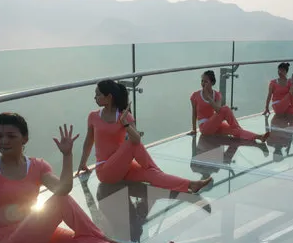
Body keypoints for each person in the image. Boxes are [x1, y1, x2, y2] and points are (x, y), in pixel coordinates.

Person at [0, 112, 174, 243]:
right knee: (59, 203)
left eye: (11, 136)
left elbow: (63, 188)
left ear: (25, 139)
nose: (3, 141)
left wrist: (67, 155)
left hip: (37, 235)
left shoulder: (38, 166)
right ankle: (108, 239)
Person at [77, 80, 211, 194]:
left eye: (98, 94)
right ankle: (158, 171)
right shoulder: (93, 116)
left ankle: (190, 185)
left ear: (109, 97)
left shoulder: (125, 116)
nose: (95, 98)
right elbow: (89, 141)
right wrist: (83, 163)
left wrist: (125, 123)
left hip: (123, 167)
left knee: (151, 175)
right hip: (105, 171)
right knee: (131, 144)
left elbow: (136, 140)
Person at [191, 70, 270, 142]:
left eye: (206, 81)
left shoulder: (217, 95)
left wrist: (209, 98)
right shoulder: (195, 95)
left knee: (234, 130)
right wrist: (194, 130)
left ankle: (259, 137)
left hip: (215, 123)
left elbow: (217, 109)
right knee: (225, 109)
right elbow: (194, 113)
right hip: (205, 128)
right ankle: (238, 128)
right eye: (202, 81)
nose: (203, 83)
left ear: (212, 83)